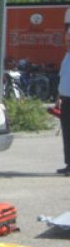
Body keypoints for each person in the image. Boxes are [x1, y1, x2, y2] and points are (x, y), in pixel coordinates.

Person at [55, 27, 70, 175]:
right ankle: (68, 163)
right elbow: (63, 78)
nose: (68, 42)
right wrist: (58, 98)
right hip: (65, 100)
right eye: (67, 40)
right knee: (66, 133)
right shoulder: (66, 56)